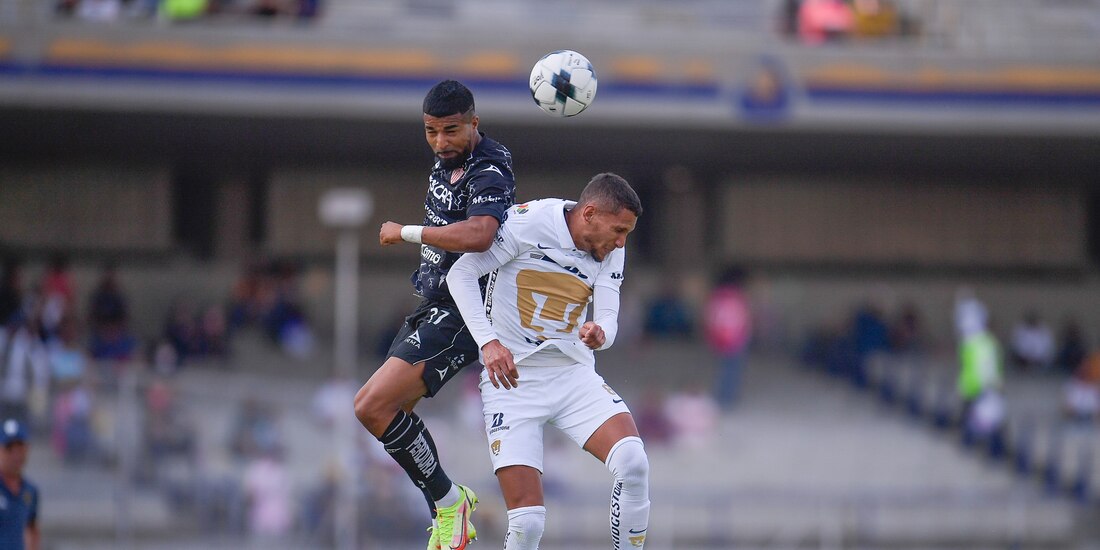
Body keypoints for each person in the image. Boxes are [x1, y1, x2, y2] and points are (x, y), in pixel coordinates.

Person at [352, 79, 515, 550]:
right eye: (431, 131)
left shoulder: (489, 166)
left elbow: (481, 234)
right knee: (392, 416)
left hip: (465, 311)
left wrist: (407, 232)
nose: (440, 141)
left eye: (451, 130)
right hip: (434, 303)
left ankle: (450, 504)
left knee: (370, 406)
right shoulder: (447, 160)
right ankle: (448, 513)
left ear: (474, 123)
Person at [447, 173, 650, 550]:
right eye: (619, 230)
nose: (622, 242)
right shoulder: (527, 223)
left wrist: (601, 333)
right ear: (589, 214)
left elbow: (608, 314)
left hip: (572, 375)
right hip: (512, 383)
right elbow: (462, 273)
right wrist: (488, 342)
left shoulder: (611, 248)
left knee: (634, 463)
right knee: (527, 523)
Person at [704, 266, 752, 410]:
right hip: (736, 338)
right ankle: (727, 397)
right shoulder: (737, 297)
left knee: (724, 368)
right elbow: (743, 318)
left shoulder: (717, 297)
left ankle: (722, 396)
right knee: (732, 369)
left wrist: (711, 336)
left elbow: (710, 318)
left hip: (720, 337)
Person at [0, 419, 40, 550]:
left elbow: (31, 528)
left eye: (20, 448)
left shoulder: (30, 491)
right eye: (9, 449)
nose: (15, 455)